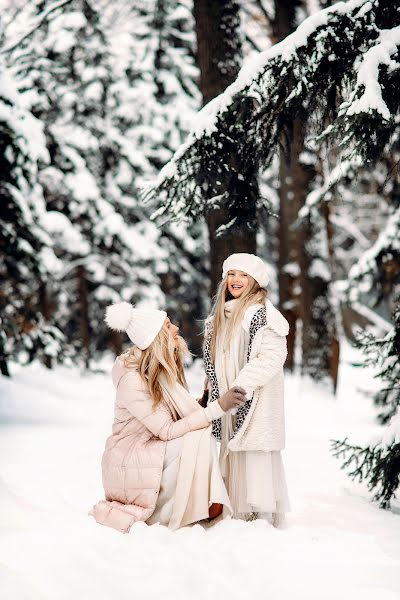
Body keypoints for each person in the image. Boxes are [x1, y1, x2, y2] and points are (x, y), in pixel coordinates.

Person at [89, 302, 246, 533]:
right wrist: (217, 408)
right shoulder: (132, 380)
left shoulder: (157, 371)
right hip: (131, 462)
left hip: (150, 449)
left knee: (199, 434)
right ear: (156, 337)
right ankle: (195, 506)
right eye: (168, 325)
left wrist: (203, 402)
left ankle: (205, 503)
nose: (175, 330)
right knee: (198, 437)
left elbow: (170, 417)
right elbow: (168, 431)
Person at [203, 253, 291, 526]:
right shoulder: (220, 316)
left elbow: (272, 357)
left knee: (253, 454)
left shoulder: (264, 315)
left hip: (251, 398)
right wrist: (212, 389)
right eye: (231, 274)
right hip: (226, 401)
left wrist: (242, 387)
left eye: (243, 275)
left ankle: (257, 516)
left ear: (255, 281)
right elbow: (218, 357)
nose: (236, 280)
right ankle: (233, 512)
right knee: (232, 451)